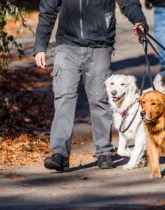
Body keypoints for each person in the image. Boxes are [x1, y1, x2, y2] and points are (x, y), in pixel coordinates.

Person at [34, 0, 147, 171]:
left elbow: (128, 2)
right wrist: (40, 45)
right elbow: (48, 8)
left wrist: (139, 21)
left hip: (100, 45)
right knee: (64, 98)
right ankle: (59, 154)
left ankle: (104, 152)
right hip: (67, 46)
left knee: (100, 100)